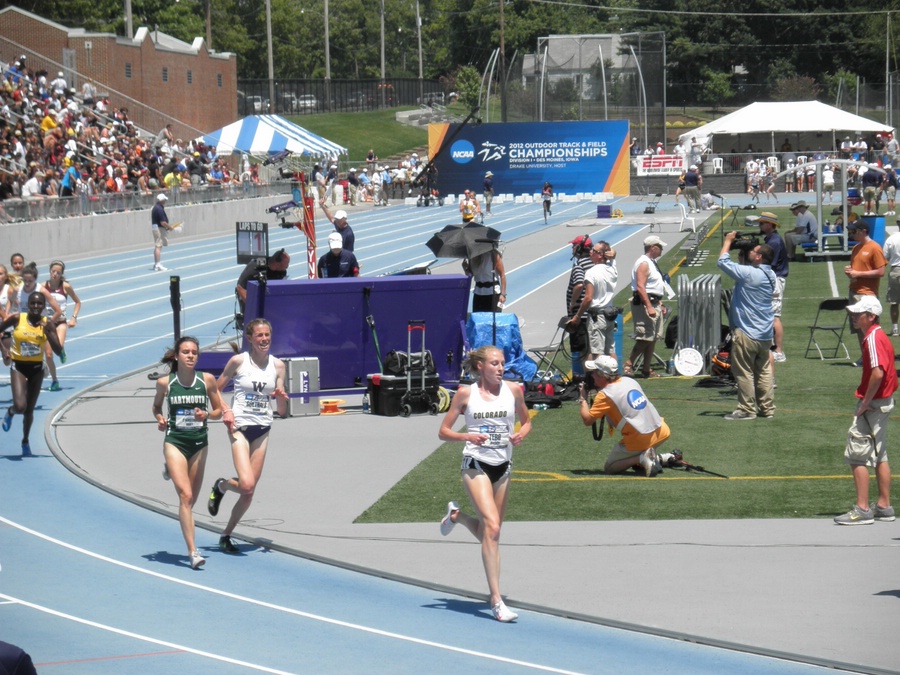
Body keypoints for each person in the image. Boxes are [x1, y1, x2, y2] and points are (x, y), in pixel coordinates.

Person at [437, 345, 531, 622]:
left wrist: (520, 434)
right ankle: (496, 600)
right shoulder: (467, 394)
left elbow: (526, 422)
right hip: (475, 463)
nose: (500, 368)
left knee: (492, 532)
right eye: (494, 363)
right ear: (480, 366)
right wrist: (467, 437)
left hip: (503, 465)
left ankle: (457, 516)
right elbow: (443, 432)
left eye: (502, 363)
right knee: (491, 527)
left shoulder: (514, 390)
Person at [207, 318, 289, 553]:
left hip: (263, 429)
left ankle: (226, 534)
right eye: (259, 336)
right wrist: (227, 410)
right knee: (246, 483)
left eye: (267, 335)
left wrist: (281, 396)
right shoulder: (238, 362)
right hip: (239, 428)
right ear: (250, 339)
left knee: (248, 491)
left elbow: (282, 412)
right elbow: (215, 389)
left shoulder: (279, 367)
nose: (264, 339)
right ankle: (221, 485)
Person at [152, 336, 227, 569]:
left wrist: (207, 416)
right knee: (184, 496)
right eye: (185, 352)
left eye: (194, 352)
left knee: (191, 500)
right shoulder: (165, 383)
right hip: (175, 441)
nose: (190, 355)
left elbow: (218, 410)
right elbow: (156, 407)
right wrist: (160, 419)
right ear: (177, 355)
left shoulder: (206, 381)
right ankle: (193, 552)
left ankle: (172, 470)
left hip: (199, 443)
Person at [834, 296, 897, 525]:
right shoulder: (878, 336)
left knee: (857, 454)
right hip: (883, 402)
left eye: (858, 314)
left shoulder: (872, 337)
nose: (853, 317)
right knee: (880, 454)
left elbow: (878, 373)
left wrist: (865, 402)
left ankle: (862, 509)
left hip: (874, 404)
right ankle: (883, 505)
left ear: (871, 316)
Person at [578, 355, 671, 476]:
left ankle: (642, 458)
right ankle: (662, 457)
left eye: (594, 372)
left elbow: (587, 420)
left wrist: (583, 399)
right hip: (662, 431)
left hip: (641, 438)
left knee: (610, 468)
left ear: (602, 376)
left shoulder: (605, 395)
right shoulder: (629, 380)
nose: (591, 375)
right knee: (636, 449)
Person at [717, 231, 777, 420]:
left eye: (755, 251)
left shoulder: (750, 274)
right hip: (765, 333)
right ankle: (767, 409)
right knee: (764, 372)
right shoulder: (770, 275)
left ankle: (746, 409)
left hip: (747, 332)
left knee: (743, 372)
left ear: (759, 257)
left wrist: (728, 241)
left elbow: (722, 262)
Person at [0, 292, 65, 456]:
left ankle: (25, 441)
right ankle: (11, 412)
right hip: (18, 366)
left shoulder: (47, 323)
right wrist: (4, 350)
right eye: (33, 304)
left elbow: (58, 350)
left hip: (37, 368)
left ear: (44, 306)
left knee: (29, 410)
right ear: (28, 305)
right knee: (21, 406)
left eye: (39, 304)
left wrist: (49, 332)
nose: (36, 307)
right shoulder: (17, 319)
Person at [845, 219, 888, 361]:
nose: (851, 234)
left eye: (854, 231)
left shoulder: (875, 248)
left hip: (867, 293)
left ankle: (874, 356)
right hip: (855, 291)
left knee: (869, 328)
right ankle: (865, 356)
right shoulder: (856, 248)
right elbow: (857, 269)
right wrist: (851, 272)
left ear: (863, 231)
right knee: (858, 328)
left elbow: (881, 271)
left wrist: (858, 274)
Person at [625, 235, 667, 378]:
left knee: (652, 337)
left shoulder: (650, 262)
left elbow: (651, 286)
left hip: (653, 302)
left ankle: (646, 369)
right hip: (645, 304)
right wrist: (649, 306)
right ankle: (629, 364)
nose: (661, 249)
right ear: (653, 248)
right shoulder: (643, 263)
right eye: (659, 247)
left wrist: (658, 302)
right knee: (645, 337)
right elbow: (640, 286)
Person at [568, 241, 618, 360]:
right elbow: (613, 255)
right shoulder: (612, 269)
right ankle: (615, 376)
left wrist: (578, 316)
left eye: (594, 251)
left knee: (597, 352)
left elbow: (588, 298)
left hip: (597, 316)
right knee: (610, 350)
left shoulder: (591, 272)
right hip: (609, 314)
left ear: (600, 255)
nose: (590, 252)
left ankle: (600, 377)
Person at [42, 260, 81, 392]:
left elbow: (78, 302)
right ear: (49, 271)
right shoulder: (43, 286)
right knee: (48, 355)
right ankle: (54, 381)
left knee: (57, 346)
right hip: (47, 323)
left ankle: (61, 350)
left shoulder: (65, 287)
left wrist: (73, 318)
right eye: (53, 271)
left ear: (61, 274)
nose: (55, 274)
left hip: (60, 322)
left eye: (58, 272)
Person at [757, 213, 788, 363]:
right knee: (771, 315)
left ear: (769, 225)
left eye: (762, 223)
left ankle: (779, 351)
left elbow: (770, 264)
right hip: (774, 278)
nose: (760, 226)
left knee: (775, 317)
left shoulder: (774, 242)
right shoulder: (771, 239)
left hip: (775, 279)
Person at [565, 235, 594, 371]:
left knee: (584, 350)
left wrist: (572, 302)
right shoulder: (595, 264)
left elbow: (578, 285)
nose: (572, 249)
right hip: (593, 312)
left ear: (579, 248)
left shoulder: (579, 265)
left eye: (573, 246)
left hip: (581, 314)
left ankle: (589, 380)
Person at [235, 249, 290, 319]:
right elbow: (240, 287)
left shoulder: (282, 272)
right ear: (278, 263)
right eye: (286, 264)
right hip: (251, 300)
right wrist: (254, 304)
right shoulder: (255, 268)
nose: (287, 267)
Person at [463, 246, 505, 313]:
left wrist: (503, 294)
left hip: (492, 293)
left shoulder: (493, 255)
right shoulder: (472, 258)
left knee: (493, 320)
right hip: (478, 293)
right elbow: (470, 275)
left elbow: (502, 275)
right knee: (478, 319)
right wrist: (465, 268)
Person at [884, 227, 900, 336]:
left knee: (894, 302)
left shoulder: (891, 239)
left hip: (896, 270)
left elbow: (885, 256)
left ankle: (895, 329)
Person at [151, 193, 173, 271]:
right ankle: (158, 264)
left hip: (156, 228)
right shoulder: (159, 209)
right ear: (162, 200)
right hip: (159, 228)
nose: (165, 201)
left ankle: (156, 263)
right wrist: (170, 227)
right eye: (164, 200)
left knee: (157, 245)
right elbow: (163, 222)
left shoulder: (155, 207)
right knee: (158, 246)